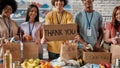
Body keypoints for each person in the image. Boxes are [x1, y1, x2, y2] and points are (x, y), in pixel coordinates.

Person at [0, 0, 18, 65]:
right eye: (6, 8)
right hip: (1, 55)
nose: (8, 10)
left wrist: (17, 37)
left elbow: (18, 35)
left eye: (10, 9)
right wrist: (3, 39)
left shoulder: (14, 23)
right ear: (1, 8)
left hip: (14, 53)